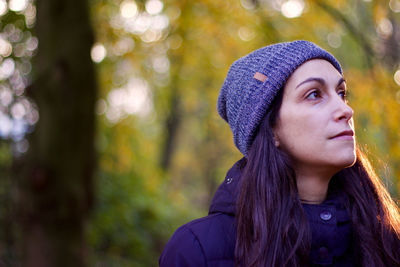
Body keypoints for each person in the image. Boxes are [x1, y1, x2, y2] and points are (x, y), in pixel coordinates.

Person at [159, 40, 400, 266]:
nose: (346, 110)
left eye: (342, 93)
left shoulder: (388, 240)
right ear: (270, 129)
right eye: (314, 94)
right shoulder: (196, 250)